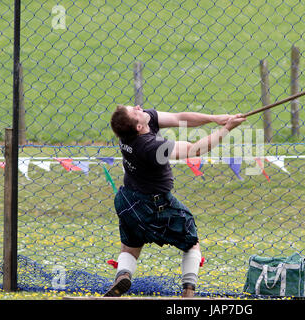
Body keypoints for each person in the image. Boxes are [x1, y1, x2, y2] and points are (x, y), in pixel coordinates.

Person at [104, 104, 246, 298]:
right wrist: (226, 129)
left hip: (127, 200)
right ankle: (188, 291)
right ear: (138, 127)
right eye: (135, 111)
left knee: (130, 246)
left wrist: (215, 118)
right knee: (191, 241)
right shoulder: (151, 147)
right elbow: (195, 150)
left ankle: (123, 276)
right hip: (154, 203)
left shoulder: (130, 131)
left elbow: (180, 118)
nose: (139, 107)